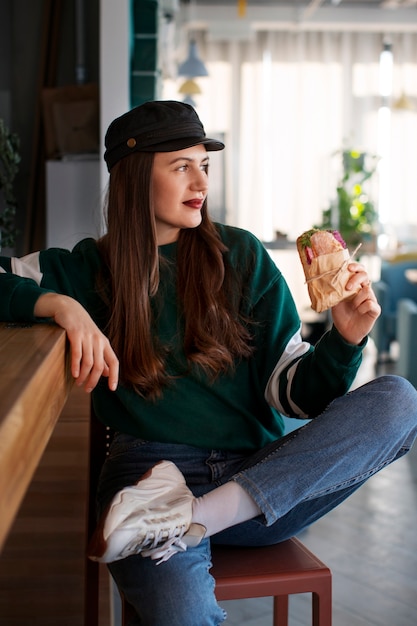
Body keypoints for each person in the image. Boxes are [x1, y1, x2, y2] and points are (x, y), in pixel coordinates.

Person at [1, 100, 416, 626]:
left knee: (399, 399)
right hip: (146, 479)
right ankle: (177, 516)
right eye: (181, 166)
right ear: (133, 180)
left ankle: (192, 517)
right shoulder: (88, 268)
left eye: (205, 165)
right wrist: (59, 304)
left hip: (258, 482)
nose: (201, 182)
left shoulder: (241, 256)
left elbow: (295, 395)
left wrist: (344, 340)